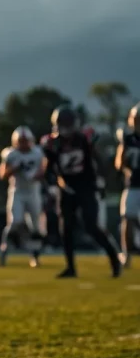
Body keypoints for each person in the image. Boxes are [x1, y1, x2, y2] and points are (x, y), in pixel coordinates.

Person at [41, 106, 121, 278]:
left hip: (86, 186)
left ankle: (114, 260)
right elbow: (48, 169)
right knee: (66, 228)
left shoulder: (84, 139)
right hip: (66, 188)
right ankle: (70, 267)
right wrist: (54, 183)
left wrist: (100, 182)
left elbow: (98, 161)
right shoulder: (52, 143)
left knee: (91, 226)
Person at [0, 126, 46, 267]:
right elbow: (2, 175)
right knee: (15, 222)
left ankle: (35, 256)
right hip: (17, 191)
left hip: (33, 192)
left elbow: (43, 171)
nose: (24, 144)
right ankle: (4, 248)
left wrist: (37, 176)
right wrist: (14, 169)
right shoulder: (10, 154)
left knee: (36, 226)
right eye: (21, 141)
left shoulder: (38, 153)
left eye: (26, 141)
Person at [115, 103, 140, 267]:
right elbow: (119, 162)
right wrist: (126, 169)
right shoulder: (128, 138)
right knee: (127, 218)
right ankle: (126, 253)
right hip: (132, 184)